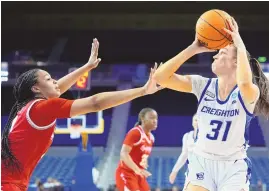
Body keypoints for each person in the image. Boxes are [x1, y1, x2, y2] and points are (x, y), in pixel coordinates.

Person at [1, 39, 163, 191]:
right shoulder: (41, 108)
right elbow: (95, 103)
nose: (55, 82)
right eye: (49, 79)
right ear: (36, 88)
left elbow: (57, 88)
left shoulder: (30, 108)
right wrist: (142, 91)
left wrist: (87, 67)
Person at [154, 17, 269, 191]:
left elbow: (244, 82)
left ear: (236, 62)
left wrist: (239, 42)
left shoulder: (248, 93)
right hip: (202, 161)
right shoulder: (203, 85)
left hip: (232, 166)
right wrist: (193, 49)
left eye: (221, 53)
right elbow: (160, 77)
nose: (214, 55)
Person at [115, 108, 158, 191]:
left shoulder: (151, 138)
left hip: (139, 175)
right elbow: (124, 153)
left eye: (156, 118)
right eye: (152, 118)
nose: (155, 121)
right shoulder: (136, 132)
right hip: (126, 173)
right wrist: (137, 169)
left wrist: (143, 164)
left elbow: (141, 155)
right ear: (143, 119)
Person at [169, 114, 198, 184]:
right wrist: (174, 171)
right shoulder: (187, 136)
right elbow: (184, 155)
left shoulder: (208, 137)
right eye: (195, 120)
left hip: (206, 171)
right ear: (192, 122)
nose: (197, 122)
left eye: (200, 120)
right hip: (191, 171)